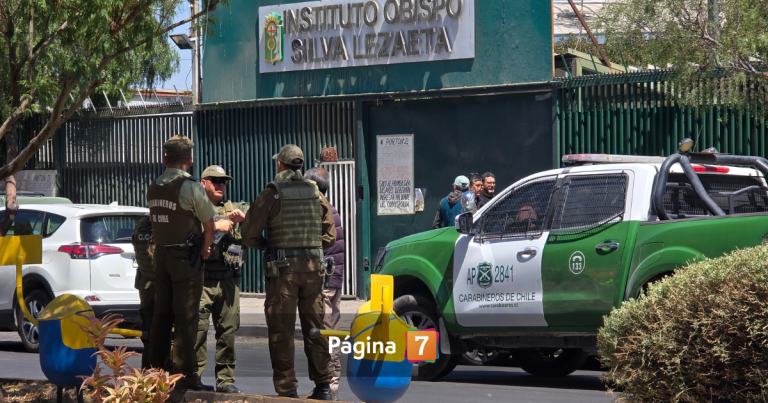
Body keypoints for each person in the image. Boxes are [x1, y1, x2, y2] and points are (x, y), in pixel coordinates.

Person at [241, 145, 336, 400]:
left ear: (280, 165)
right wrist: (311, 249)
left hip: (283, 271)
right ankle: (324, 387)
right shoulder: (315, 192)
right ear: (301, 166)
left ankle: (287, 391)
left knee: (282, 331)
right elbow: (330, 235)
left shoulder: (273, 192)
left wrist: (267, 245)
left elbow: (248, 233)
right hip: (314, 270)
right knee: (315, 329)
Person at [146, 135, 216, 392]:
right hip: (185, 259)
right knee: (186, 318)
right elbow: (209, 224)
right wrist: (206, 247)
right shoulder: (190, 187)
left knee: (161, 316)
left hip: (161, 257)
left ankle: (155, 373)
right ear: (190, 159)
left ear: (165, 159)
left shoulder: (153, 186)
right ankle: (186, 377)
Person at [194, 165, 249, 394]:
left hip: (227, 280)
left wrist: (243, 219)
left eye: (223, 181)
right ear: (203, 183)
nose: (220, 185)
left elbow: (258, 219)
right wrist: (214, 225)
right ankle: (193, 377)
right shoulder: (194, 209)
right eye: (215, 181)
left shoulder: (234, 207)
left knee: (227, 332)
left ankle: (225, 380)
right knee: (197, 331)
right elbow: (181, 230)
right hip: (202, 280)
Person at [304, 167, 345, 402]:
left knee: (327, 333)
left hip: (326, 282)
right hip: (332, 279)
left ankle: (330, 386)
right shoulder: (329, 208)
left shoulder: (322, 210)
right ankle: (331, 385)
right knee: (330, 331)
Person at [131, 217, 154, 369]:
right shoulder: (166, 225)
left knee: (149, 335)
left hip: (146, 286)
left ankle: (148, 376)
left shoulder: (142, 224)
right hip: (157, 287)